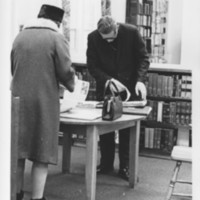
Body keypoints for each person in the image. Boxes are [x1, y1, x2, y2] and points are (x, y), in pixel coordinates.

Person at [11, 4, 75, 200]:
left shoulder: (20, 36)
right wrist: (73, 84)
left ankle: (16, 194)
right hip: (44, 102)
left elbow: (12, 66)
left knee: (18, 151)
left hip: (18, 100)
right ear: (57, 23)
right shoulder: (56, 38)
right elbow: (65, 71)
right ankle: (37, 198)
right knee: (42, 153)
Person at [86, 15, 150, 181]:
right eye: (104, 39)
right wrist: (108, 80)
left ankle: (125, 167)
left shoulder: (131, 32)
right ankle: (106, 164)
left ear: (117, 29)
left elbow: (143, 59)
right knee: (105, 127)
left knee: (126, 128)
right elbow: (92, 66)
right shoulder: (93, 37)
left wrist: (140, 81)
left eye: (111, 38)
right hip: (107, 86)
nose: (108, 42)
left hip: (130, 86)